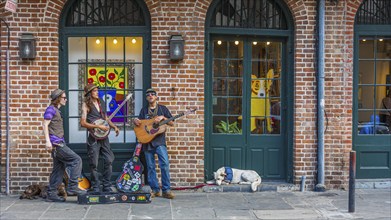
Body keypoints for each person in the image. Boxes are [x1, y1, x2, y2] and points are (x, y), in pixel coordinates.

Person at [43, 89, 86, 202]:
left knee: (58, 169)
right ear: (58, 98)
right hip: (57, 144)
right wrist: (47, 141)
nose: (66, 100)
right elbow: (45, 124)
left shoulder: (56, 110)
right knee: (77, 160)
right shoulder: (51, 109)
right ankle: (72, 187)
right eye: (64, 98)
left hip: (58, 144)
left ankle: (51, 194)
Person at [133, 88, 175, 199]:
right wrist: (136, 121)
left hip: (159, 142)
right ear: (147, 98)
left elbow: (171, 123)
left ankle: (166, 190)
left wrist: (163, 117)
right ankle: (155, 190)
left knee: (164, 165)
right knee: (151, 167)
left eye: (153, 94)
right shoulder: (144, 110)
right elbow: (140, 126)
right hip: (147, 143)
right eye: (148, 95)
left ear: (156, 97)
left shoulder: (162, 109)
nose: (150, 96)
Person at [80, 84, 119, 194]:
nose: (97, 92)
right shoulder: (86, 104)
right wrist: (97, 126)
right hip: (93, 137)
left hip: (104, 137)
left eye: (97, 90)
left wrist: (114, 126)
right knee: (94, 163)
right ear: (89, 93)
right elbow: (83, 123)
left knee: (109, 160)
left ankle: (106, 185)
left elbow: (106, 118)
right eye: (95, 91)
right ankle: (96, 186)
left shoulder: (101, 102)